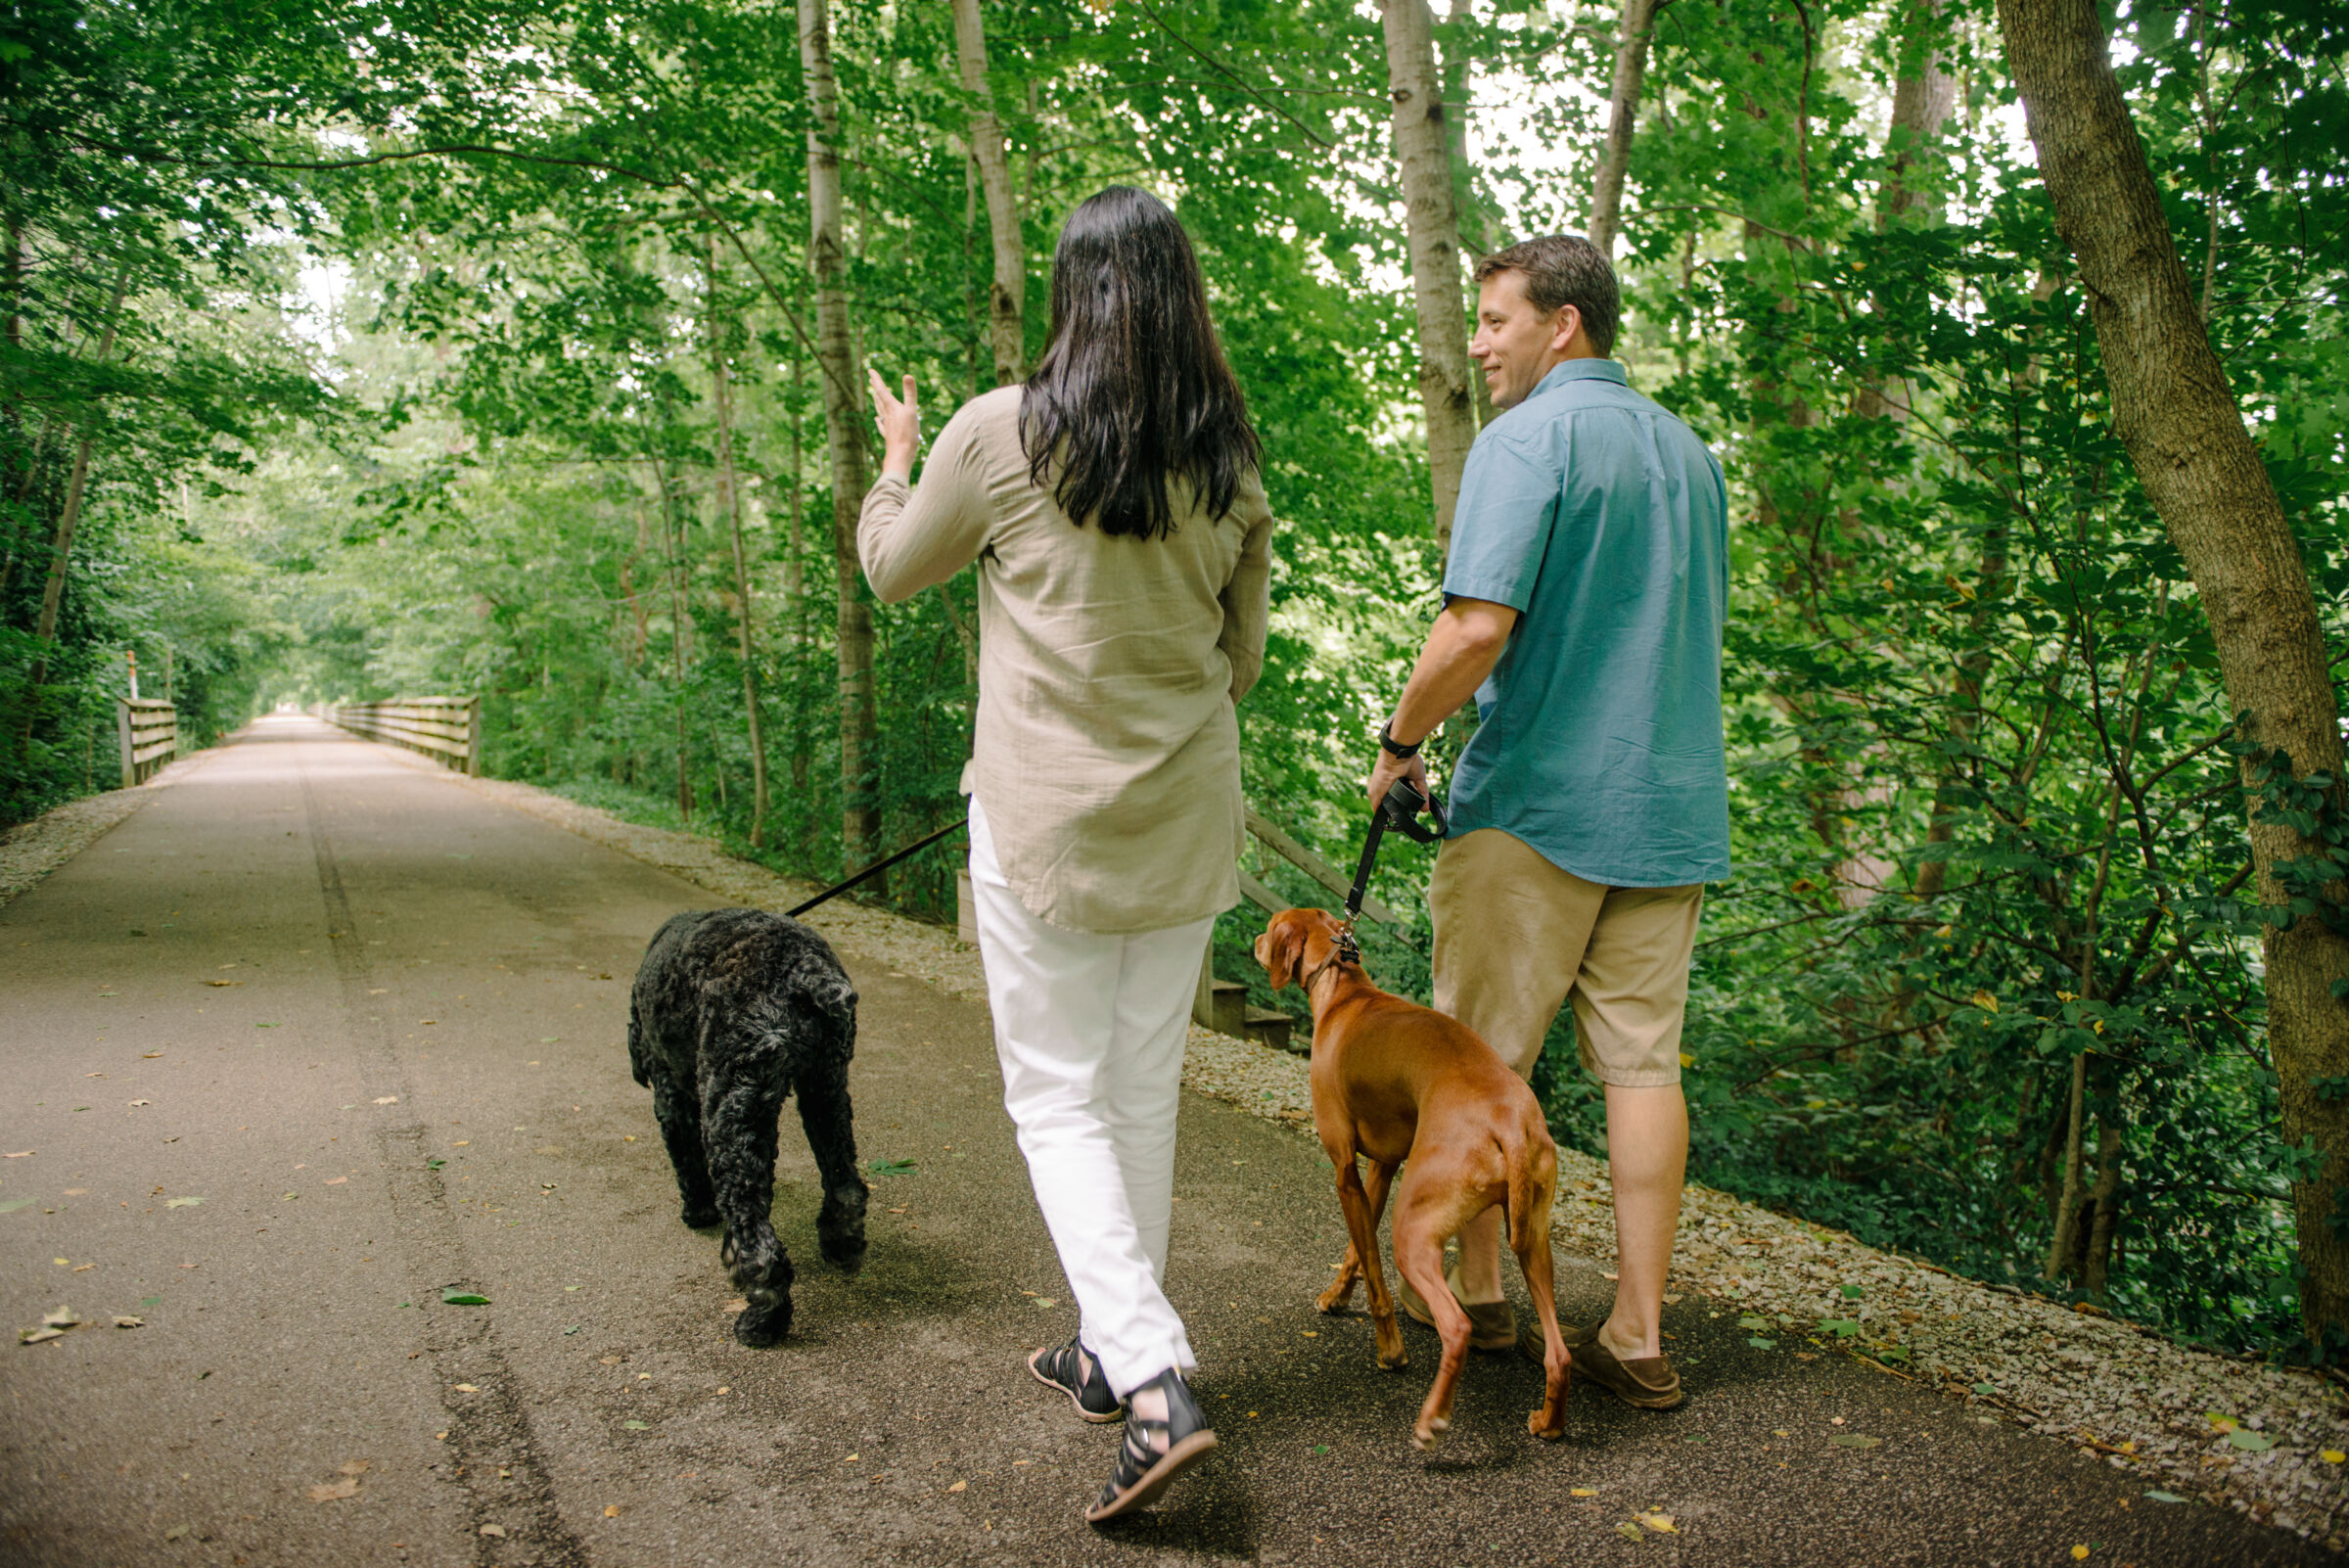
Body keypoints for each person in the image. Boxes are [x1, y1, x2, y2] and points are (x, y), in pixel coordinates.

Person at [859, 186, 1272, 1521]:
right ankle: (1107, 1348)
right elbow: (1243, 661)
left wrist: (892, 455)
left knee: (1052, 1095)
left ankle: (1151, 1376)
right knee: (1138, 1091)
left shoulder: (997, 435)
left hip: (1043, 820)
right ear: (1182, 300)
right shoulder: (1228, 459)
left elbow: (892, 569)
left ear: (1070, 296)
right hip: (1185, 815)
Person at [1364, 233, 1727, 1412]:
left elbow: (1476, 630)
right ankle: (1635, 1328)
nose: (1479, 342)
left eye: (1497, 319)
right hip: (1667, 809)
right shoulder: (1690, 455)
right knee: (1642, 1069)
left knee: (1479, 1057)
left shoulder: (1528, 440)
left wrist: (1401, 744)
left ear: (1560, 323)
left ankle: (1492, 1299)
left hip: (1536, 808)